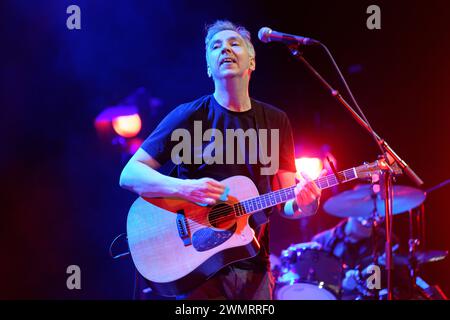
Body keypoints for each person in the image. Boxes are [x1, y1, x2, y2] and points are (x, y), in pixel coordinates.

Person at [119, 20, 322, 300]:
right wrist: (184, 188)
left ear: (251, 61)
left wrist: (306, 205)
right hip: (198, 269)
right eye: (216, 46)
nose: (225, 49)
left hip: (254, 268)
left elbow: (288, 201)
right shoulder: (188, 116)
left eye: (234, 43)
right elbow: (130, 175)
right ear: (208, 68)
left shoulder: (276, 120)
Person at [312, 216, 409, 299]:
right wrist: (343, 287)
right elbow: (314, 288)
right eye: (364, 211)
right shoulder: (322, 241)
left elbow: (403, 286)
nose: (370, 219)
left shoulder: (387, 241)